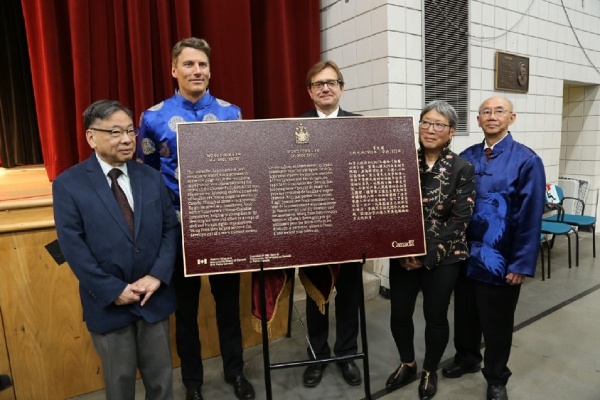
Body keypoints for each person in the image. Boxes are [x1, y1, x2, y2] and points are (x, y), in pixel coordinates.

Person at [137, 37, 254, 400]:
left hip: (224, 228)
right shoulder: (153, 117)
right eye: (188, 64)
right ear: (174, 69)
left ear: (210, 69)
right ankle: (192, 383)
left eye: (202, 64)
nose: (197, 71)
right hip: (178, 231)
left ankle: (235, 373)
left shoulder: (230, 113)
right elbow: (148, 172)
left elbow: (245, 166)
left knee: (228, 307)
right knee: (185, 312)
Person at [53, 100, 179, 400]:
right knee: (119, 386)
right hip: (108, 304)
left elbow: (169, 229)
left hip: (153, 298)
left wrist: (157, 276)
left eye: (129, 131)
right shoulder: (68, 185)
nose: (126, 139)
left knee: (162, 384)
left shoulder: (150, 177)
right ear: (91, 137)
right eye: (114, 132)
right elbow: (74, 248)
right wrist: (113, 289)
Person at [443, 97, 546, 400]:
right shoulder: (466, 156)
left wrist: (521, 264)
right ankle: (467, 357)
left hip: (500, 260)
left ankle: (496, 376)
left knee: (497, 322)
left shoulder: (526, 160)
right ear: (477, 121)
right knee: (465, 314)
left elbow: (531, 216)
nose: (491, 116)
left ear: (511, 118)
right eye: (485, 112)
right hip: (463, 256)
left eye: (499, 111)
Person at [385, 101, 475, 400]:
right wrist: (402, 251)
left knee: (435, 315)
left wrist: (424, 256)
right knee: (399, 313)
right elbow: (389, 208)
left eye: (439, 124)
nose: (430, 129)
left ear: (452, 132)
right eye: (425, 122)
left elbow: (461, 219)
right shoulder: (401, 160)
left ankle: (429, 369)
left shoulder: (462, 168)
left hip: (444, 255)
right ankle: (407, 363)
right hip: (401, 252)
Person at [298, 60, 363, 388]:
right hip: (312, 230)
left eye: (332, 82)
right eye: (318, 83)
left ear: (341, 87)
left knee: (350, 295)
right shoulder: (293, 127)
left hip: (350, 231)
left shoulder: (359, 125)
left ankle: (347, 354)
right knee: (316, 297)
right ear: (310, 91)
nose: (326, 87)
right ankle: (317, 355)